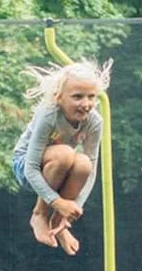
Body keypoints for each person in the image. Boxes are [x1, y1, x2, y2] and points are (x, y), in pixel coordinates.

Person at [12, 58, 112, 256]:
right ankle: (39, 214)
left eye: (91, 97)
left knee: (83, 163)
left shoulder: (94, 121)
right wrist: (56, 202)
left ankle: (59, 223)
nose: (86, 104)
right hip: (26, 167)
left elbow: (90, 170)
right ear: (59, 97)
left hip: (60, 172)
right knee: (66, 153)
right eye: (77, 97)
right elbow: (31, 168)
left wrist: (73, 209)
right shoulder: (49, 115)